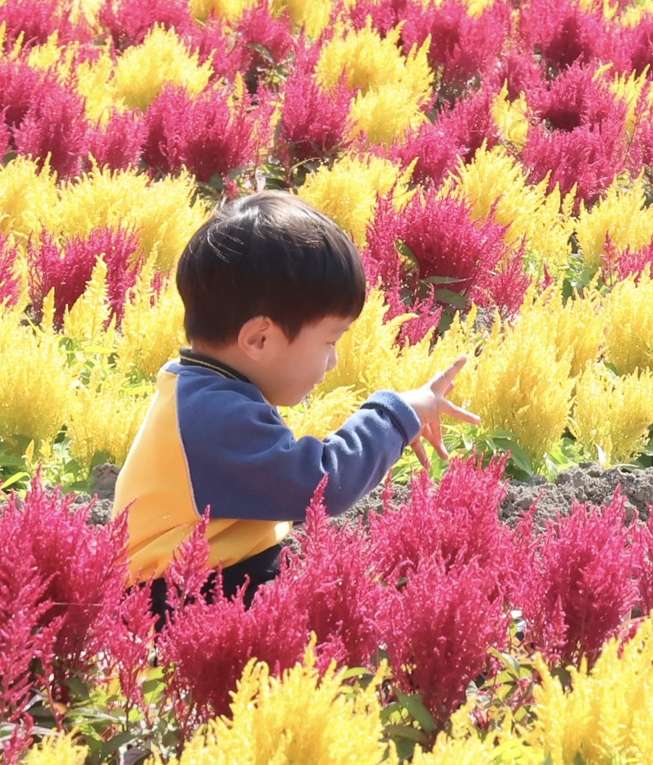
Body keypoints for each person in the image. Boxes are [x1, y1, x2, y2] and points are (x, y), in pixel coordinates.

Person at [117, 193, 477, 609]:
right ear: (259, 339)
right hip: (174, 604)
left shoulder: (203, 389)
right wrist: (397, 416)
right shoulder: (211, 415)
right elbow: (321, 484)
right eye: (329, 341)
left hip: (206, 583)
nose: (334, 360)